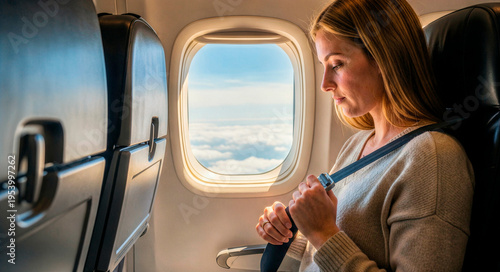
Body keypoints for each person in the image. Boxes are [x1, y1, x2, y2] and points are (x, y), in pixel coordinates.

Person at [255, 0, 475, 271]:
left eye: (337, 64)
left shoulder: (434, 159)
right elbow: (351, 239)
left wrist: (322, 233)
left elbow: (331, 239)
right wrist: (293, 231)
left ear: (384, 58)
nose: (324, 84)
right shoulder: (358, 144)